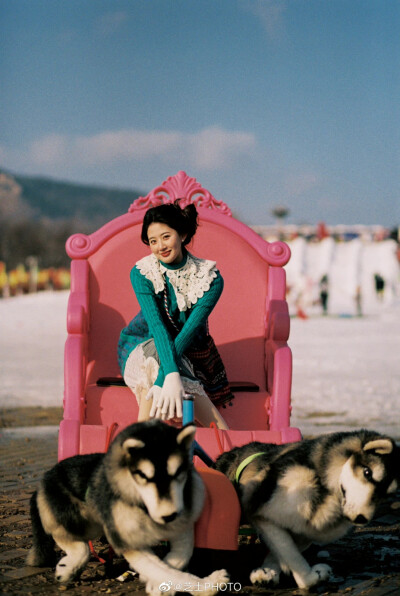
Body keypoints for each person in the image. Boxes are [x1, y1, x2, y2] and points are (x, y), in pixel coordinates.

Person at [118, 200, 232, 429]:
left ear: (182, 234)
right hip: (139, 345)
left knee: (164, 370)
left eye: (166, 236)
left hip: (188, 350)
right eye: (153, 241)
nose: (160, 246)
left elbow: (189, 332)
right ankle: (225, 435)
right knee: (155, 358)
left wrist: (164, 379)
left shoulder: (210, 279)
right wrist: (168, 375)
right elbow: (158, 327)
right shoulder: (143, 273)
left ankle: (141, 443)